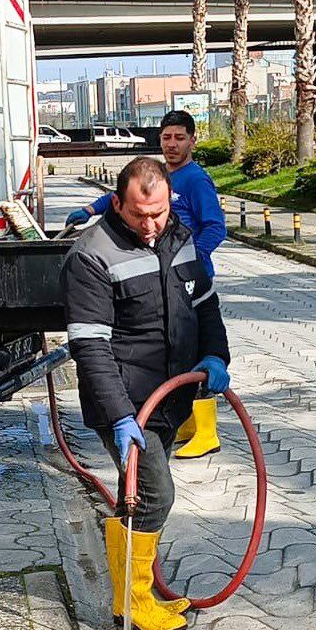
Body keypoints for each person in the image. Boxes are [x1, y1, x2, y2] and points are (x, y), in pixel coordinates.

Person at [62, 157, 231, 630]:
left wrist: (215, 354)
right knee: (156, 495)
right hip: (127, 403)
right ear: (117, 203)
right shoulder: (92, 255)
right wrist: (118, 415)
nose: (151, 225)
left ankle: (133, 594)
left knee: (138, 496)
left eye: (159, 213)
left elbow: (205, 305)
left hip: (170, 398)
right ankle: (132, 603)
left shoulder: (180, 238)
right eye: (139, 215)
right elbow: (90, 347)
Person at [68, 110, 228, 459]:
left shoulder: (196, 181)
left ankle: (206, 431)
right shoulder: (153, 179)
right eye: (167, 137)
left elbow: (216, 227)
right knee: (151, 484)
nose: (172, 144)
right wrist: (89, 209)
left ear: (192, 140)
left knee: (192, 346)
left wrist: (187, 256)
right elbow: (127, 193)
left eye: (179, 138)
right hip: (134, 396)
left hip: (184, 273)